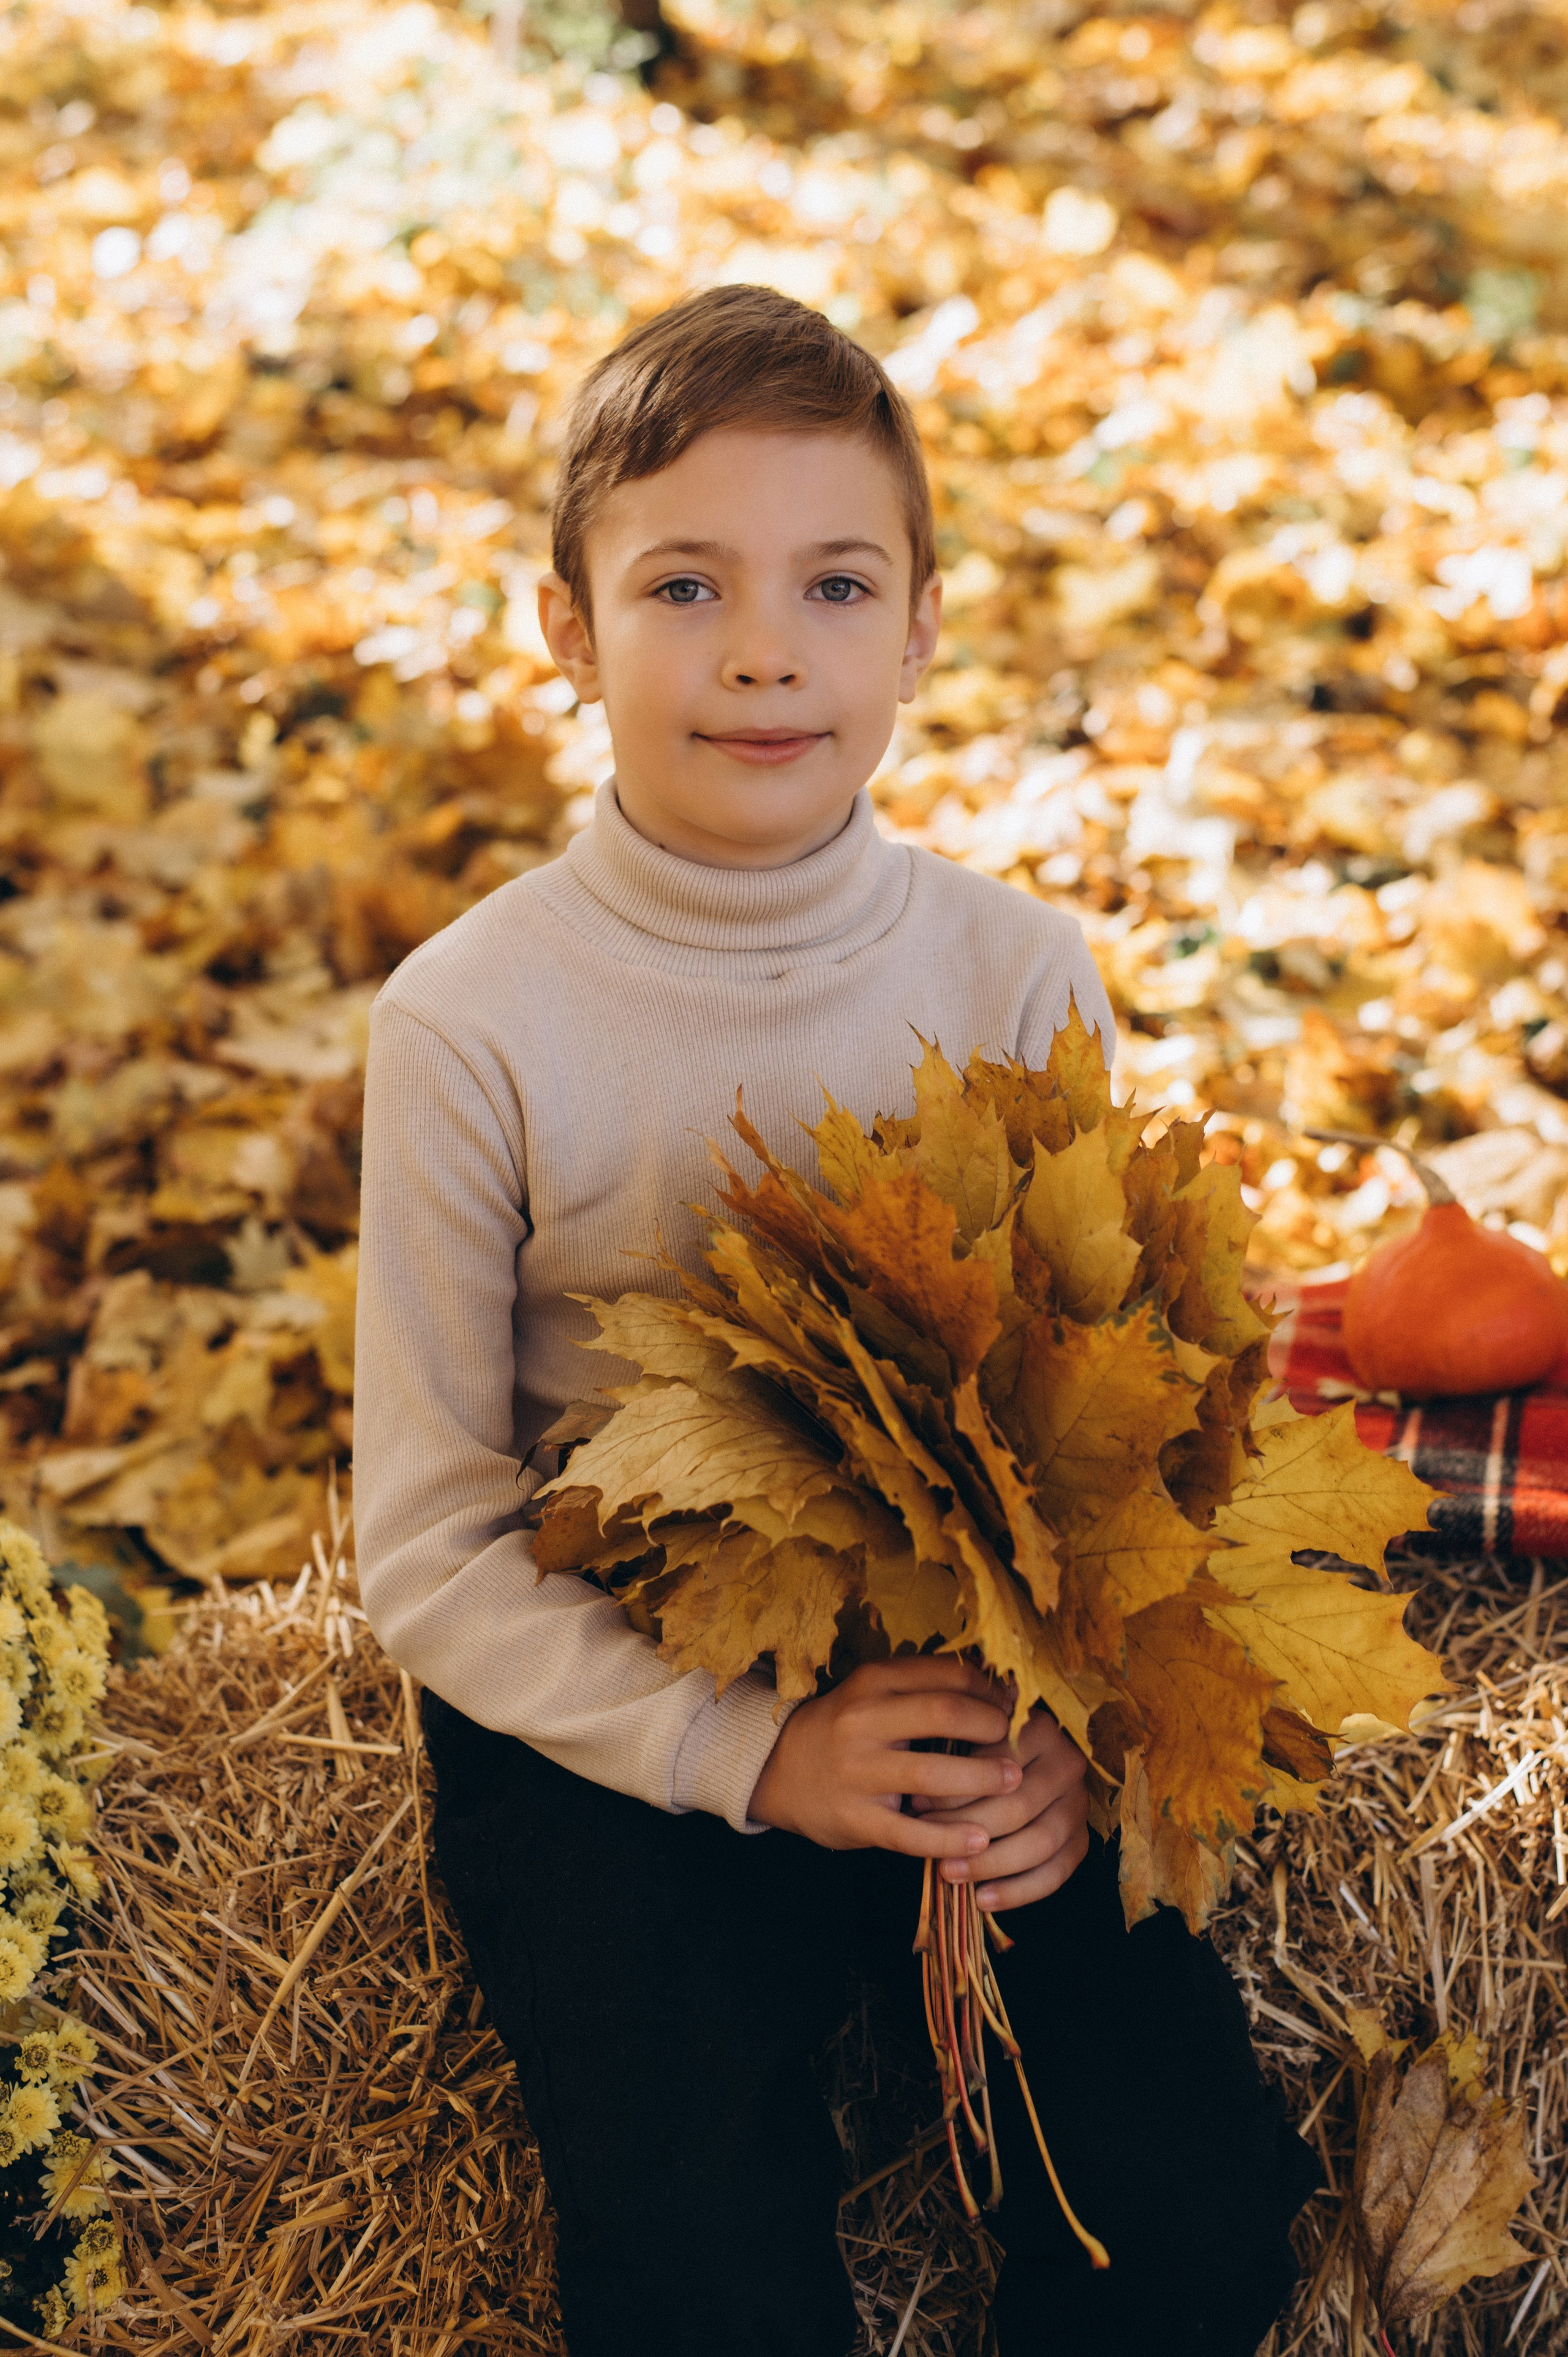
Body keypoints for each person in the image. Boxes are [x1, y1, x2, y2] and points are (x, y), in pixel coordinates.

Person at [354, 284, 1318, 2357]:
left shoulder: (1012, 969)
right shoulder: (472, 1021)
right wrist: (746, 1756)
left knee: (1196, 2210)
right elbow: (430, 1545)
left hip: (967, 1679)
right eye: (684, 584)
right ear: (566, 627)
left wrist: (1058, 1747)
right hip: (624, 1704)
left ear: (924, 628)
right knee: (695, 2253)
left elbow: (1098, 1432)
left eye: (836, 583)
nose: (767, 650)